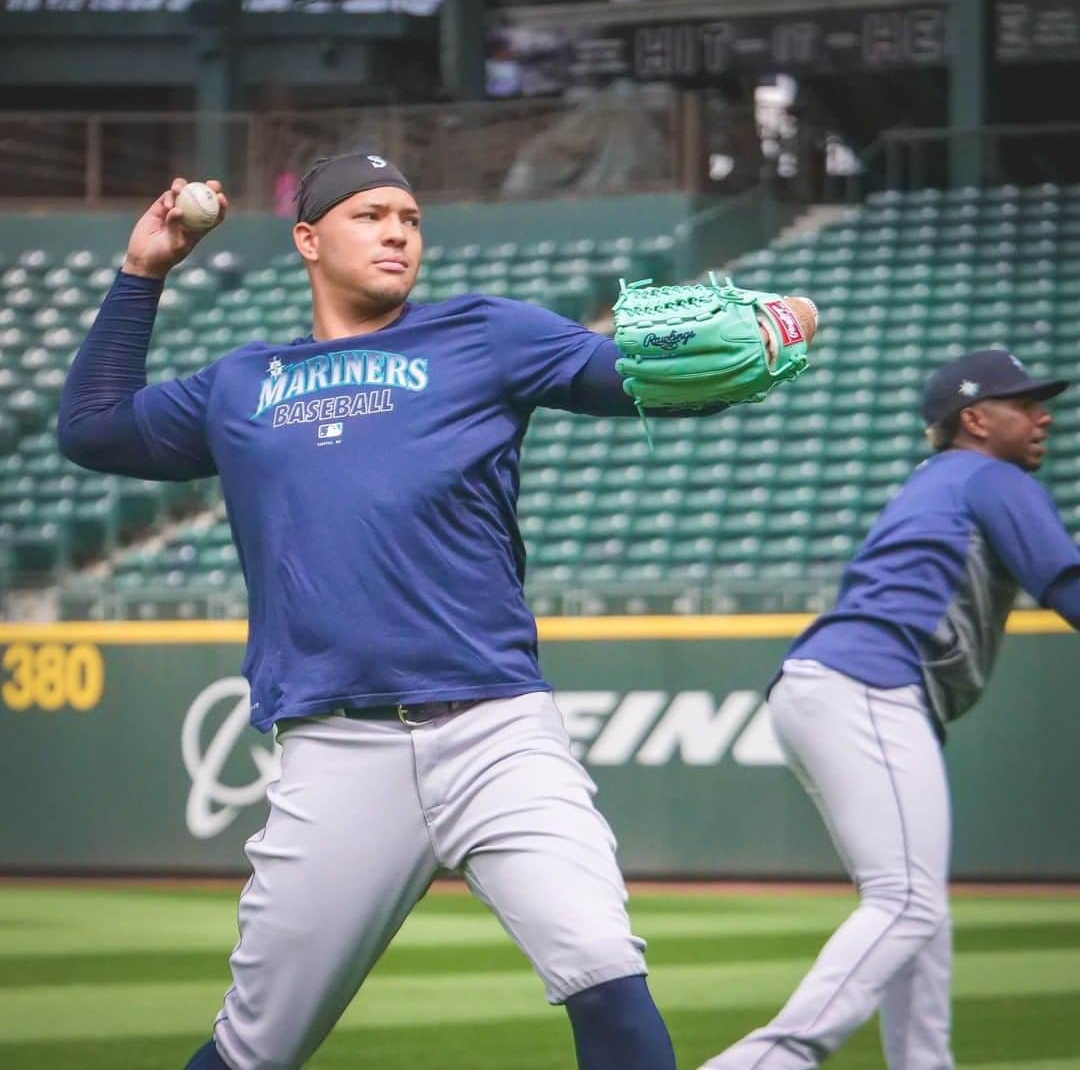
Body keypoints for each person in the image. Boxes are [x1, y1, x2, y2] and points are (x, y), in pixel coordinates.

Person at [57, 153, 716, 1070]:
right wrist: (144, 271)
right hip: (337, 750)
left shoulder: (483, 335)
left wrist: (748, 342)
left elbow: (626, 376)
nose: (398, 230)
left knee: (603, 966)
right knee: (255, 1046)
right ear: (308, 239)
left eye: (409, 216)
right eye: (369, 214)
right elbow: (91, 429)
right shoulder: (244, 383)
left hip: (496, 728)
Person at [698, 349, 1080, 1070]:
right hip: (869, 684)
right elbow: (1068, 588)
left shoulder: (938, 478)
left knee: (918, 910)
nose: (1043, 415)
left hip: (830, 685)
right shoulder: (991, 476)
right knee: (905, 902)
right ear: (974, 419)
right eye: (1023, 403)